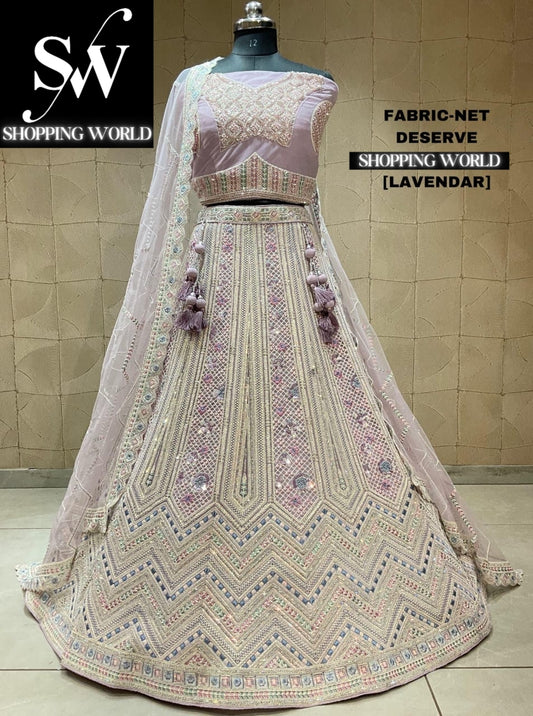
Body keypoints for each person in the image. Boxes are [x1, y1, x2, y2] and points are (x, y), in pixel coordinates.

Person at [16, 2, 522, 709]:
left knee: (321, 425)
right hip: (212, 279)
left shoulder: (320, 85)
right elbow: (173, 200)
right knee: (195, 429)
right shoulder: (193, 85)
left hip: (294, 272)